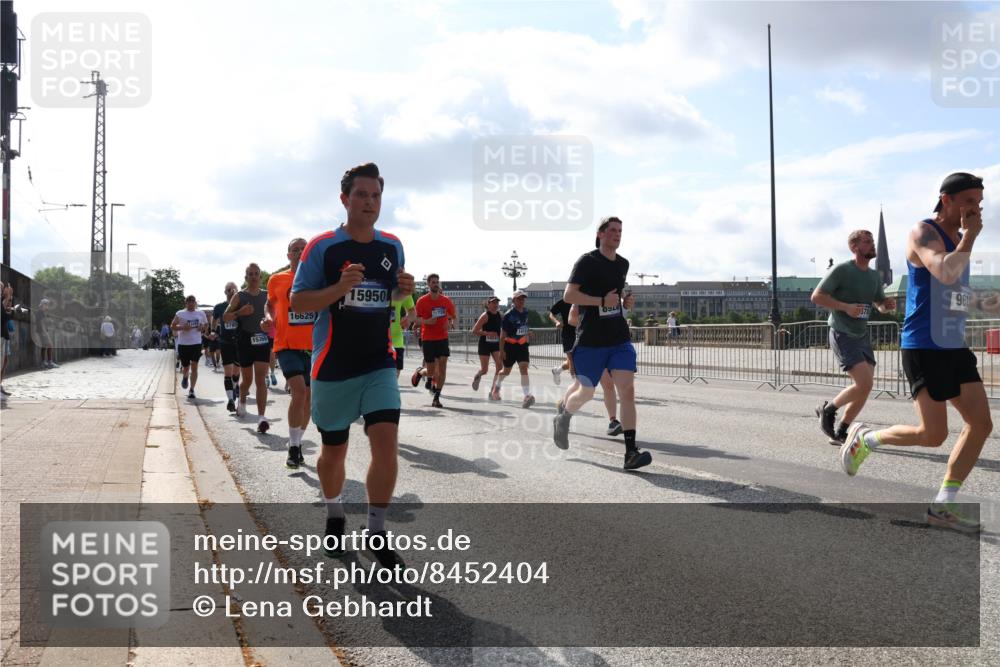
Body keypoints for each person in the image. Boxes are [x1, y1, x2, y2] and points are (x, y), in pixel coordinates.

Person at [840, 172, 990, 532]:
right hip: (924, 345)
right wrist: (969, 238)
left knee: (981, 424)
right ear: (947, 199)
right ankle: (866, 439)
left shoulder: (958, 240)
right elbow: (944, 272)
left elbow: (956, 294)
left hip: (953, 344)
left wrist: (988, 303)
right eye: (969, 201)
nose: (976, 209)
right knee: (933, 435)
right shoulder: (923, 233)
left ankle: (942, 506)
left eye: (979, 203)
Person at [291, 162, 414, 568]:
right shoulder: (322, 247)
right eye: (361, 195)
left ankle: (376, 531)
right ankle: (334, 515)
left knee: (386, 444)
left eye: (375, 196)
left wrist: (401, 292)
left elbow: (391, 300)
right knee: (334, 452)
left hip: (378, 362)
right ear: (345, 199)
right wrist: (339, 288)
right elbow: (299, 302)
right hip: (333, 366)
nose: (369, 202)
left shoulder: (392, 246)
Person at [552, 216, 650, 470]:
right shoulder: (587, 261)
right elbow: (569, 295)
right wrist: (600, 302)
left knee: (627, 390)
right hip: (591, 340)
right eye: (613, 230)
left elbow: (614, 298)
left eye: (620, 230)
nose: (618, 234)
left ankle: (631, 452)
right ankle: (563, 417)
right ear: (601, 234)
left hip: (618, 337)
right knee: (585, 391)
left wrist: (624, 303)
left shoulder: (623, 264)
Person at [811, 230, 896, 444]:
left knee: (865, 388)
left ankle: (841, 431)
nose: (872, 245)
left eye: (872, 241)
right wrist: (846, 307)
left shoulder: (873, 275)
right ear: (854, 247)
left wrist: (886, 306)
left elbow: (879, 304)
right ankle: (828, 410)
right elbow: (817, 296)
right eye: (867, 242)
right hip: (842, 332)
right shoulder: (842, 270)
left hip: (861, 334)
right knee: (864, 384)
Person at [267, 238, 316, 469]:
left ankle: (296, 442)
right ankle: (295, 448)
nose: (298, 252)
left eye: (303, 249)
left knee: (308, 399)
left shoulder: (318, 278)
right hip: (286, 345)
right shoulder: (277, 279)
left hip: (313, 346)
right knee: (298, 391)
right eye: (294, 249)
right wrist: (269, 319)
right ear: (288, 255)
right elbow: (269, 304)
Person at [225, 263, 273, 432]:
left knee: (261, 379)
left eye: (256, 274)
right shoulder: (239, 296)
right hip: (245, 339)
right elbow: (225, 317)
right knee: (247, 381)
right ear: (246, 277)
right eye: (250, 274)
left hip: (262, 340)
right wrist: (240, 313)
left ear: (261, 277)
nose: (253, 276)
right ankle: (242, 401)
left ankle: (261, 418)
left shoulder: (268, 296)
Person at [411, 274, 455, 408]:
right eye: (433, 282)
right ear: (428, 284)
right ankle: (420, 372)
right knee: (432, 370)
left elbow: (453, 316)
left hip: (442, 338)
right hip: (428, 338)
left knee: (442, 368)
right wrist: (427, 321)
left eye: (437, 282)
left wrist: (450, 323)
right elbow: (416, 319)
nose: (436, 284)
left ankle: (436, 398)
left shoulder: (446, 300)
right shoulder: (422, 301)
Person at [493, 290, 535, 407]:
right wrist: (501, 352)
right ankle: (496, 388)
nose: (522, 301)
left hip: (522, 345)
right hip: (510, 346)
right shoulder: (508, 315)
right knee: (506, 371)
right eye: (519, 299)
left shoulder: (526, 312)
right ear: (514, 301)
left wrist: (529, 332)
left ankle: (527, 396)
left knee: (524, 368)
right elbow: (502, 335)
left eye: (523, 299)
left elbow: (524, 326)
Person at [171, 295, 208, 400]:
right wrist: (183, 327)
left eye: (193, 301)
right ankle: (185, 376)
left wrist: (202, 328)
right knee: (186, 367)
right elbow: (172, 326)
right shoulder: (180, 313)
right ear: (185, 303)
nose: (191, 303)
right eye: (188, 301)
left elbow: (206, 325)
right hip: (183, 344)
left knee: (194, 366)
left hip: (196, 343)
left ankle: (192, 390)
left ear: (195, 303)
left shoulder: (201, 313)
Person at [212, 283, 241, 412]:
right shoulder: (219, 307)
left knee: (236, 371)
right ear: (225, 292)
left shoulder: (242, 305)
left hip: (240, 342)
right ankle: (230, 400)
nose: (231, 292)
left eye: (234, 289)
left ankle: (235, 386)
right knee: (228, 371)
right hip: (225, 341)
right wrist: (213, 331)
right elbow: (214, 319)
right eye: (228, 290)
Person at [471, 296, 503, 396]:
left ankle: (493, 391)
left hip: (495, 344)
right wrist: (487, 333)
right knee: (485, 370)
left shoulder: (500, 315)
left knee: (500, 365)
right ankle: (478, 375)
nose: (495, 305)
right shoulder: (485, 315)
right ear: (488, 305)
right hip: (484, 344)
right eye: (493, 303)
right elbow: (474, 331)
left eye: (497, 303)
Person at [548, 298, 574, 386]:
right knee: (572, 361)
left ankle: (557, 370)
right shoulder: (564, 301)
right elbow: (551, 314)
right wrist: (557, 322)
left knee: (574, 361)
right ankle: (578, 387)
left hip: (581, 333)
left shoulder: (583, 298)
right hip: (568, 334)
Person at [390, 292, 416, 380]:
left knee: (393, 381)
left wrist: (408, 319)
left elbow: (412, 311)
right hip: (373, 341)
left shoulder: (402, 289)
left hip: (396, 341)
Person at [34, 298, 56, 369]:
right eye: (46, 304)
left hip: (42, 331)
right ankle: (49, 362)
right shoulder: (40, 312)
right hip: (42, 331)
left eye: (47, 305)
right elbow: (41, 323)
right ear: (43, 305)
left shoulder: (42, 312)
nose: (47, 306)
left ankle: (44, 363)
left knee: (44, 346)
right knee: (50, 345)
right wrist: (45, 333)